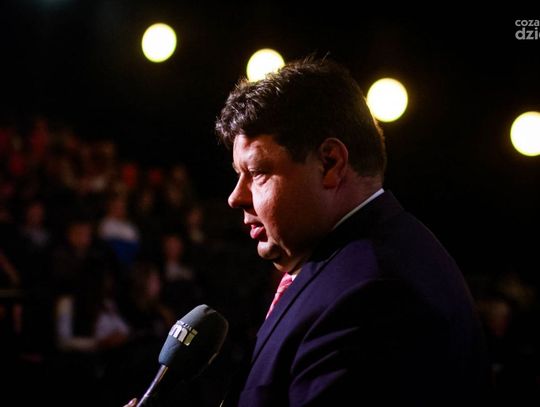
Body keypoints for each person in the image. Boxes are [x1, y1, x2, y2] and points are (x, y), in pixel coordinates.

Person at [123, 57, 492, 407]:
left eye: (257, 172)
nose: (235, 197)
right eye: (238, 175)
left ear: (330, 163)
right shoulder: (360, 264)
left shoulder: (371, 292)